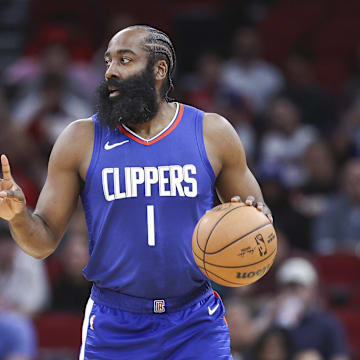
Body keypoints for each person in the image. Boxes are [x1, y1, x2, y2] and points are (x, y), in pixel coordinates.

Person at [0, 25, 271, 359]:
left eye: (125, 60)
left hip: (194, 320)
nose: (111, 71)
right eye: (108, 61)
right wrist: (18, 217)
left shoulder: (212, 132)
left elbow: (259, 222)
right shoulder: (80, 139)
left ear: (159, 69)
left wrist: (254, 222)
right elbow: (41, 243)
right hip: (115, 323)